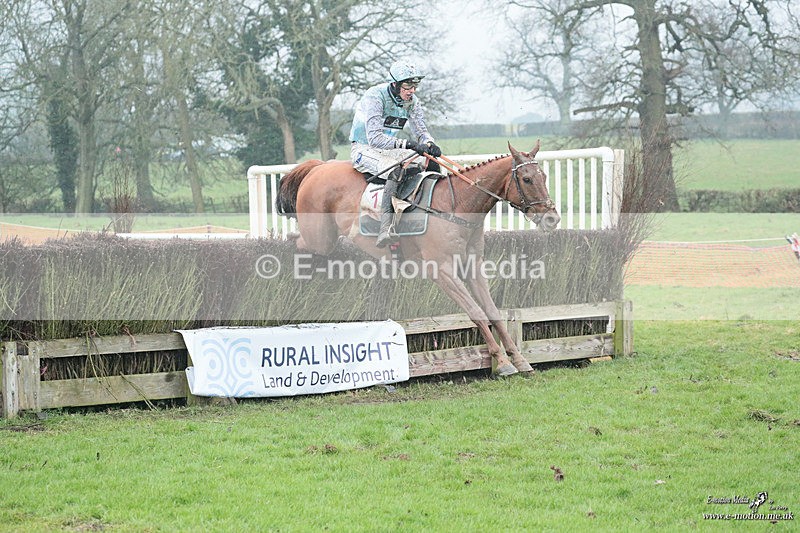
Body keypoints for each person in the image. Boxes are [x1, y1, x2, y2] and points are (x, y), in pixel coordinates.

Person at [349, 60, 443, 248]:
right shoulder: (375, 96)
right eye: (408, 85)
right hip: (364, 148)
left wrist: (429, 143)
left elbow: (421, 131)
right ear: (395, 84)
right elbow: (375, 138)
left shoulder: (413, 102)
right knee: (395, 171)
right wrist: (409, 144)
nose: (412, 91)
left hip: (390, 149)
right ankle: (386, 228)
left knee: (430, 163)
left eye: (415, 86)